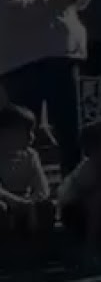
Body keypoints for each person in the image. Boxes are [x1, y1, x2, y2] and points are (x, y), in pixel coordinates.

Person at [0, 0, 93, 177]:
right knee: (20, 137)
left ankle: (70, 200)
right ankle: (22, 200)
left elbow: (69, 2)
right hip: (25, 60)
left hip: (63, 54)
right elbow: (13, 11)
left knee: (70, 133)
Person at [57, 120, 101, 266]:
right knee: (97, 198)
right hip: (78, 213)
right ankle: (90, 249)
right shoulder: (87, 167)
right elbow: (80, 192)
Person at [0, 104, 55, 254]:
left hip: (25, 200)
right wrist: (17, 202)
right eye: (26, 132)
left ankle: (40, 248)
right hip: (6, 201)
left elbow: (42, 186)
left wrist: (33, 200)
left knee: (45, 206)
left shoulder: (31, 155)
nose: (31, 137)